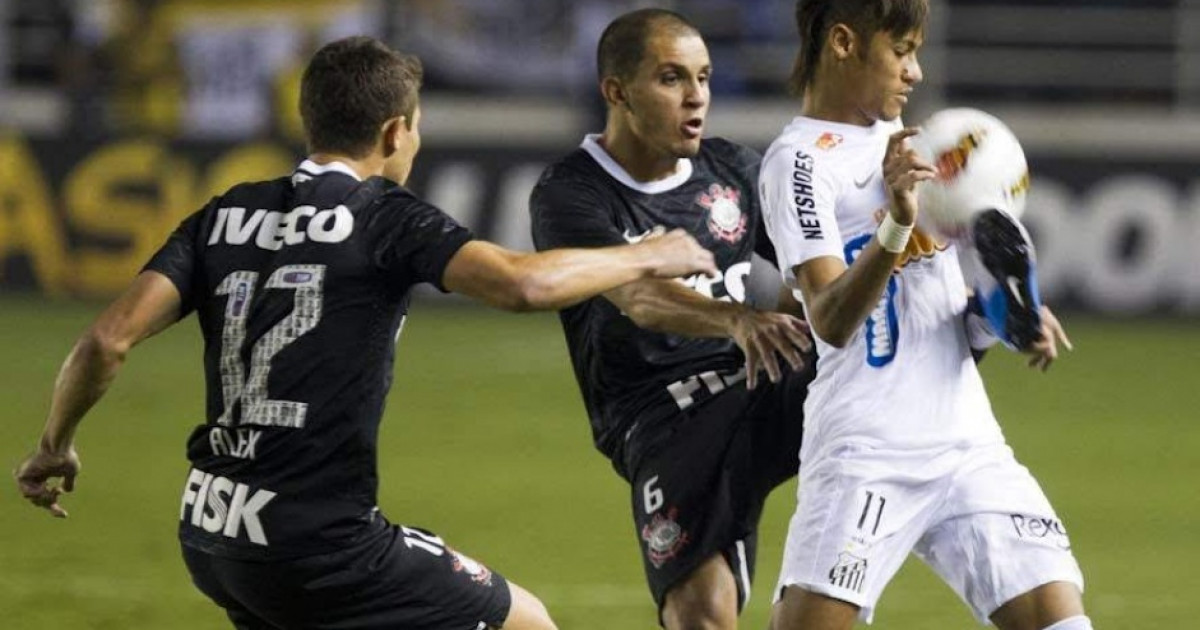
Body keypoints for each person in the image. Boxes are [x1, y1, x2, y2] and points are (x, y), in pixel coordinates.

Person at [13, 35, 720, 630]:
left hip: (213, 529)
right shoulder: (385, 215)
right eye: (415, 126)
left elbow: (105, 341)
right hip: (318, 543)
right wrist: (642, 254)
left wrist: (54, 445)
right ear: (394, 132)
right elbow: (522, 283)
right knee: (528, 623)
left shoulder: (225, 212)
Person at [759, 1, 1091, 629]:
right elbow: (829, 318)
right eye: (901, 50)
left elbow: (950, 321)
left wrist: (1006, 316)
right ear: (842, 42)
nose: (914, 72)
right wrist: (898, 222)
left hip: (966, 445)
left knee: (1061, 620)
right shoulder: (797, 163)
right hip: (866, 450)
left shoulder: (923, 147)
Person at [530, 9, 814, 630]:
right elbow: (637, 295)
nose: (697, 97)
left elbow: (809, 274)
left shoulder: (736, 169)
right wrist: (737, 320)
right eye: (671, 78)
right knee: (701, 614)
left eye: (704, 78)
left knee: (888, 370)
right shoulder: (571, 192)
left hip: (759, 384)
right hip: (665, 422)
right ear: (616, 91)